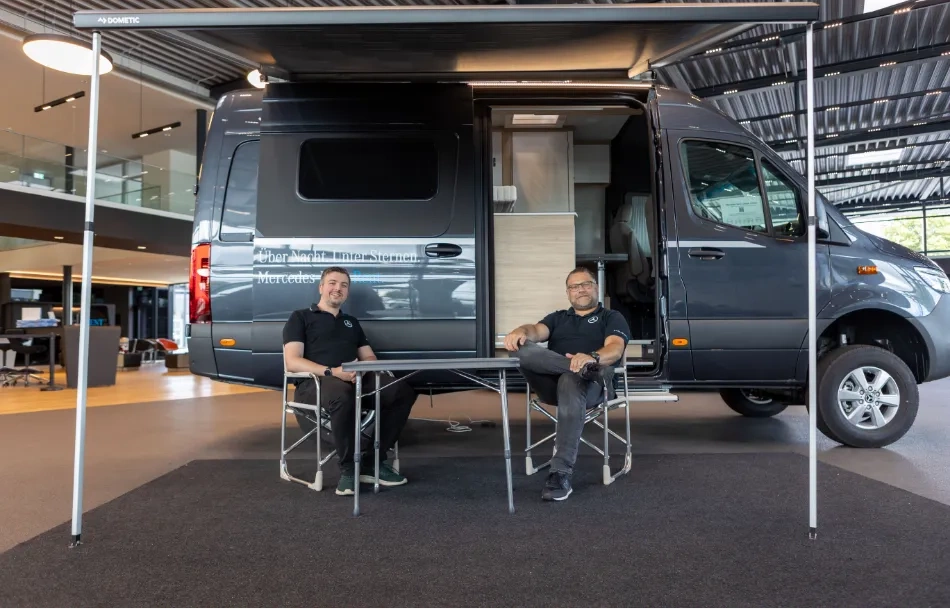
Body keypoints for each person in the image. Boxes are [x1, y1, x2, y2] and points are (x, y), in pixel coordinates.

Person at [283, 266, 417, 496]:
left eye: (344, 285)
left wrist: (363, 369)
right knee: (343, 396)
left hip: (354, 380)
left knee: (401, 391)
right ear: (321, 287)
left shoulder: (351, 322)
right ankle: (349, 469)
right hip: (315, 382)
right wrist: (332, 372)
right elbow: (293, 361)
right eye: (333, 283)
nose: (338, 288)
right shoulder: (300, 317)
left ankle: (372, 462)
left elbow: (369, 357)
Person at [503, 267, 631, 502]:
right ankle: (578, 368)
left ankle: (560, 472)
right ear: (568, 292)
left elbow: (615, 348)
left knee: (571, 380)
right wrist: (520, 331)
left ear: (596, 287)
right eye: (574, 286)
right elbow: (534, 331)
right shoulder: (557, 318)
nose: (580, 289)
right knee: (518, 348)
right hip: (551, 385)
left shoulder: (611, 317)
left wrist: (592, 357)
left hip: (593, 387)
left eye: (586, 284)